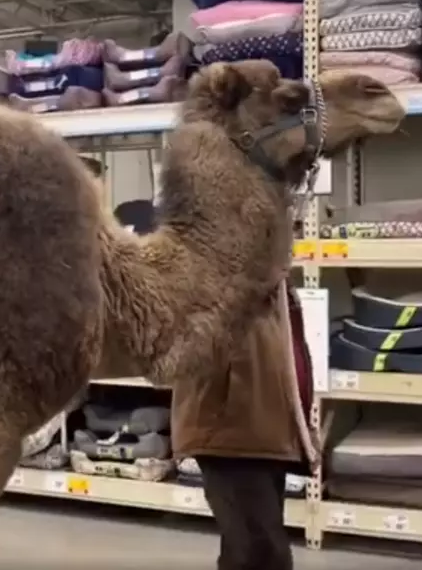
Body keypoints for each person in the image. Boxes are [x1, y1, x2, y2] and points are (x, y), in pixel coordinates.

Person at [113, 198, 316, 570]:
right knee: (259, 552)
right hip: (233, 427)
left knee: (256, 549)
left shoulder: (265, 272)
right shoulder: (212, 263)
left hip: (264, 428)